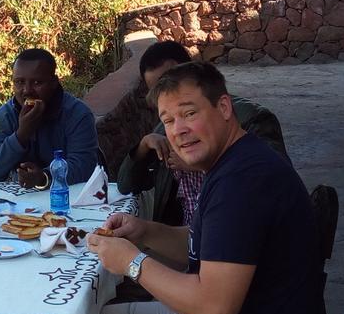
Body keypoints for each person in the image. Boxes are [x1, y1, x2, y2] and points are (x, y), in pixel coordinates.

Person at [82, 61, 326, 314]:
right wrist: (144, 232)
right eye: (168, 121)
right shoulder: (233, 162)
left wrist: (131, 262)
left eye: (189, 113)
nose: (178, 130)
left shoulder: (244, 182)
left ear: (223, 108)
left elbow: (214, 307)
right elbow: (208, 247)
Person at [116, 41, 287, 226]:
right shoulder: (165, 132)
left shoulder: (251, 119)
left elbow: (273, 185)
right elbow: (126, 186)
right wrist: (143, 148)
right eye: (158, 90)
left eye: (190, 114)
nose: (166, 94)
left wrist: (200, 165)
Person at [0, 48, 99, 187]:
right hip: (20, 203)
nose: (27, 90)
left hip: (68, 199)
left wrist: (44, 178)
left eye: (37, 83)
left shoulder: (77, 114)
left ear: (54, 82)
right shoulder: (4, 116)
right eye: (20, 82)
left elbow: (84, 167)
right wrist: (21, 136)